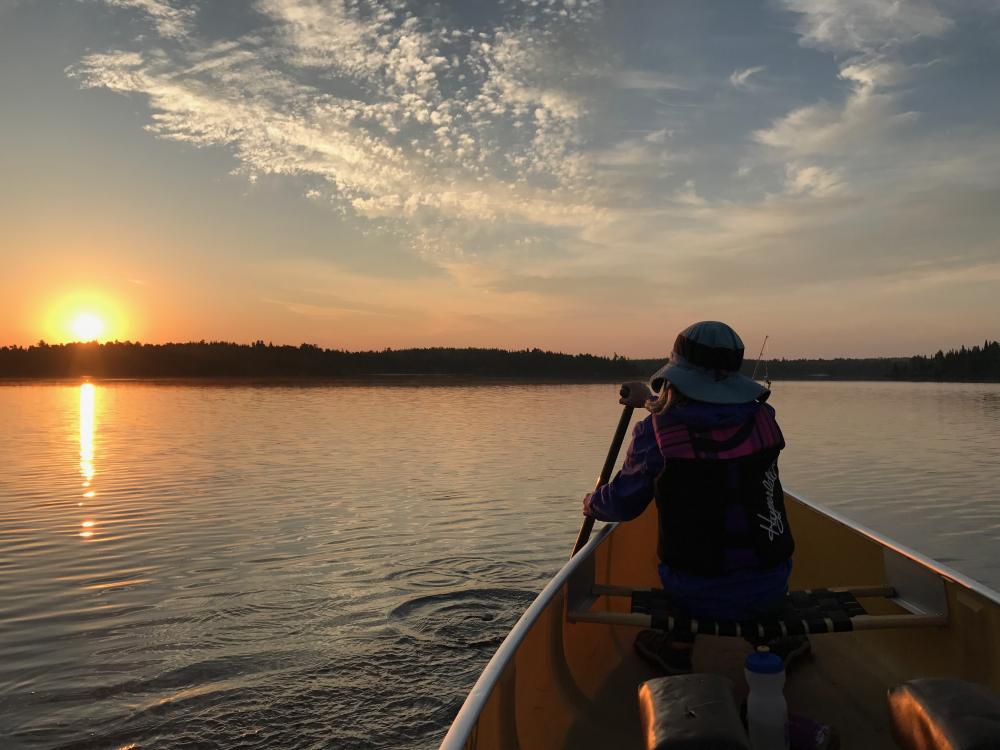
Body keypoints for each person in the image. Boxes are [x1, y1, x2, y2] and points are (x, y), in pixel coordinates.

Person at [583, 321, 808, 674]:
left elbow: (623, 505)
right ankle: (778, 638)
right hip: (771, 583)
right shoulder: (763, 418)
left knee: (690, 567)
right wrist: (649, 401)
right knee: (749, 571)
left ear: (676, 374)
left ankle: (677, 644)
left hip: (693, 591)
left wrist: (592, 502)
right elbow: (710, 420)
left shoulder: (652, 434)